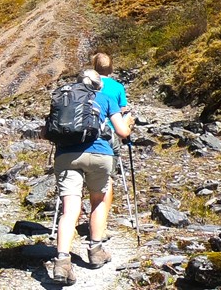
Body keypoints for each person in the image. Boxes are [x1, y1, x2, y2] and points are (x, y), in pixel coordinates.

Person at [48, 69, 134, 286]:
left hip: (66, 156)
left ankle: (62, 261)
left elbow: (45, 132)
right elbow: (122, 132)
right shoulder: (105, 97)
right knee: (98, 201)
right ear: (98, 85)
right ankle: (95, 250)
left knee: (70, 210)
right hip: (99, 155)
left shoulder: (64, 97)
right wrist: (129, 122)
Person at [90, 53, 130, 260]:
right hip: (107, 138)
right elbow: (122, 113)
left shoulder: (85, 84)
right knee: (107, 179)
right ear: (111, 69)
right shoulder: (117, 87)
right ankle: (100, 226)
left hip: (82, 137)